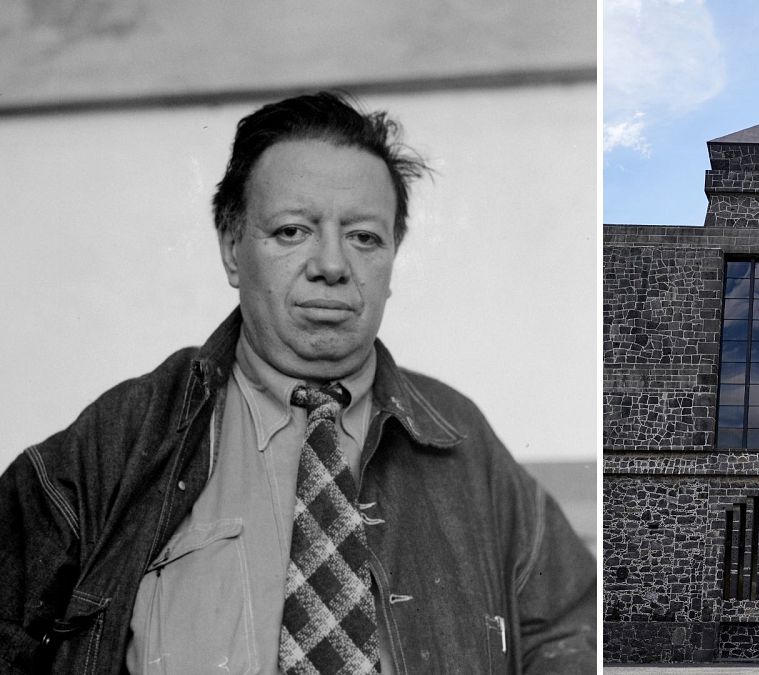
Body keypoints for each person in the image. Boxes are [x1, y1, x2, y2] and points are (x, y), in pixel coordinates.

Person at [0, 92, 595, 674]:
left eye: (364, 236)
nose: (332, 265)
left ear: (392, 259)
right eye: (292, 231)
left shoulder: (461, 440)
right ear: (233, 250)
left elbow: (569, 626)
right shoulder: (121, 439)